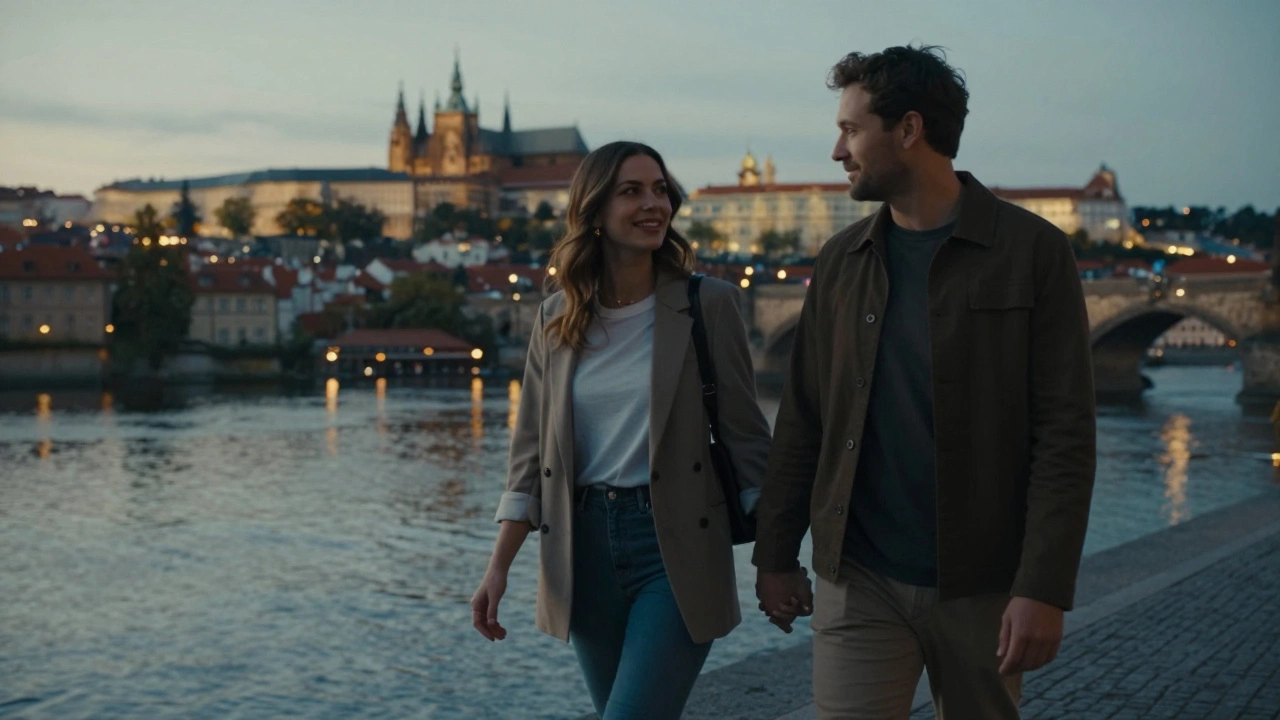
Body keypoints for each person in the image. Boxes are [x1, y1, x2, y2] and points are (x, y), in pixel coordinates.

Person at [753, 45, 1097, 719]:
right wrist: (776, 553)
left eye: (851, 130)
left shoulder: (1032, 251)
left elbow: (1065, 434)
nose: (836, 151)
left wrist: (1044, 587)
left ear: (908, 130)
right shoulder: (841, 261)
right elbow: (804, 420)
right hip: (858, 577)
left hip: (985, 583)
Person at [470, 141, 774, 720]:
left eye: (660, 190)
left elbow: (749, 442)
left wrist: (775, 559)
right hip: (580, 548)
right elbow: (530, 456)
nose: (653, 203)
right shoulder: (555, 316)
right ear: (594, 211)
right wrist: (498, 566)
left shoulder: (708, 304)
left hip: (675, 542)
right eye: (631, 191)